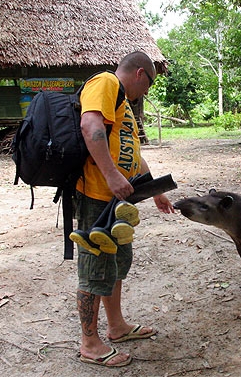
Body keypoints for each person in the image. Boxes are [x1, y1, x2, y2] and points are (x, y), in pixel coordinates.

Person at [74, 51, 175, 367]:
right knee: (95, 267)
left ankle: (116, 327)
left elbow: (131, 150)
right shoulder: (106, 82)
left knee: (117, 262)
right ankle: (90, 343)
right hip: (96, 195)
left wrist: (154, 188)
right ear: (140, 74)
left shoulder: (124, 106)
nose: (147, 92)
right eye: (150, 84)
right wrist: (111, 174)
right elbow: (90, 125)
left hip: (119, 200)